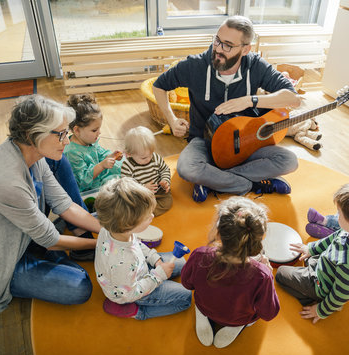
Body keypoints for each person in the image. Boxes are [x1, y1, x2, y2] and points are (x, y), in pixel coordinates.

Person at [0, 95, 101, 333]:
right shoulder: (7, 182)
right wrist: (104, 242)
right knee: (80, 286)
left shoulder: (32, 154)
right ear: (34, 136)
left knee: (73, 248)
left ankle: (63, 250)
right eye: (62, 134)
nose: (68, 140)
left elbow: (65, 204)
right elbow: (50, 240)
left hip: (23, 233)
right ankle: (50, 257)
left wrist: (106, 231)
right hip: (0, 259)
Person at [153, 15, 301, 202]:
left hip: (244, 145)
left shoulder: (256, 66)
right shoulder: (196, 65)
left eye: (228, 45)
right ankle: (250, 183)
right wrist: (172, 119)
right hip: (204, 142)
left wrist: (249, 100)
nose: (218, 49)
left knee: (289, 160)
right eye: (217, 40)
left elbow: (294, 99)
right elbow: (159, 85)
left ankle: (214, 180)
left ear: (246, 49)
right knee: (186, 168)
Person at [275, 180, 349, 323]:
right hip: (327, 264)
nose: (336, 216)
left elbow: (340, 295)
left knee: (280, 274)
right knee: (308, 256)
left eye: (339, 214)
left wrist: (321, 310)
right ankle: (312, 266)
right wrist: (311, 248)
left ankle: (313, 298)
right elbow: (333, 238)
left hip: (321, 286)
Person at [181, 197, 280, 348]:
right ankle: (236, 326)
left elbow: (187, 283)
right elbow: (269, 313)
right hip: (239, 317)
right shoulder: (262, 275)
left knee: (201, 303)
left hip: (204, 305)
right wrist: (269, 274)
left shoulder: (200, 255)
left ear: (219, 233)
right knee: (250, 318)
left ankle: (202, 314)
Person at [93, 177, 192, 320]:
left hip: (135, 270)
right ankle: (135, 311)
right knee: (185, 298)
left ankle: (155, 271)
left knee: (182, 263)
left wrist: (155, 259)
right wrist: (159, 275)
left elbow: (137, 244)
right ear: (128, 226)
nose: (152, 216)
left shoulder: (113, 229)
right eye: (147, 217)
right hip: (130, 292)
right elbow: (131, 292)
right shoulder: (122, 261)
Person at [63, 93, 124, 192]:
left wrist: (111, 156)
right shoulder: (72, 152)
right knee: (119, 184)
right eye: (94, 130)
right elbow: (83, 182)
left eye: (99, 128)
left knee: (122, 164)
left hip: (99, 176)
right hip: (90, 188)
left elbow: (100, 153)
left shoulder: (88, 140)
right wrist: (101, 166)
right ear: (77, 130)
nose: (99, 133)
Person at [121, 126, 172, 216]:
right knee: (127, 200)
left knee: (168, 202)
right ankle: (144, 212)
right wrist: (143, 188)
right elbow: (127, 186)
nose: (149, 159)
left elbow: (165, 170)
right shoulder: (127, 166)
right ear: (129, 154)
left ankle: (145, 213)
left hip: (158, 192)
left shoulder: (155, 157)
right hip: (140, 196)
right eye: (144, 157)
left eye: (151, 154)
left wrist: (165, 181)